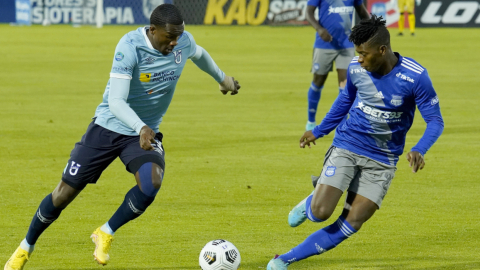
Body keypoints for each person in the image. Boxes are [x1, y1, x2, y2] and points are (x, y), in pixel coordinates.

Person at [4, 4, 241, 270]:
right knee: (63, 194)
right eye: (169, 37)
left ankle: (105, 231)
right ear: (153, 31)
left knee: (151, 183)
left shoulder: (181, 42)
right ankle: (25, 247)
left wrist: (223, 79)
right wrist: (140, 127)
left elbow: (198, 54)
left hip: (143, 133)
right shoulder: (130, 46)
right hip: (108, 127)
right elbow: (116, 101)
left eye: (179, 36)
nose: (175, 43)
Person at [267, 15, 443, 269]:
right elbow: (345, 100)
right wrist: (319, 130)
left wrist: (419, 149)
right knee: (320, 213)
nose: (359, 58)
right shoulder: (356, 68)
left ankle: (283, 260)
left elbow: (435, 121)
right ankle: (311, 202)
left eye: (364, 53)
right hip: (348, 146)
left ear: (382, 50)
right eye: (357, 53)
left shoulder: (415, 77)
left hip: (383, 161)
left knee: (352, 223)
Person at [304, 0, 370, 131]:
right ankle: (311, 121)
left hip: (346, 45)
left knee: (345, 86)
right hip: (323, 45)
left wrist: (363, 33)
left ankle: (342, 127)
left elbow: (364, 15)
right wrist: (319, 29)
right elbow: (308, 13)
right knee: (318, 82)